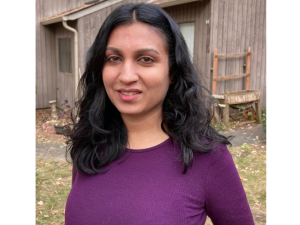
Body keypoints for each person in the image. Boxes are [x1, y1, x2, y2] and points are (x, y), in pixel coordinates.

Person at [64, 3, 255, 225]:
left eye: (146, 59)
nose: (126, 76)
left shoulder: (208, 158)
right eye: (114, 58)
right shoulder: (89, 146)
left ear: (172, 71)